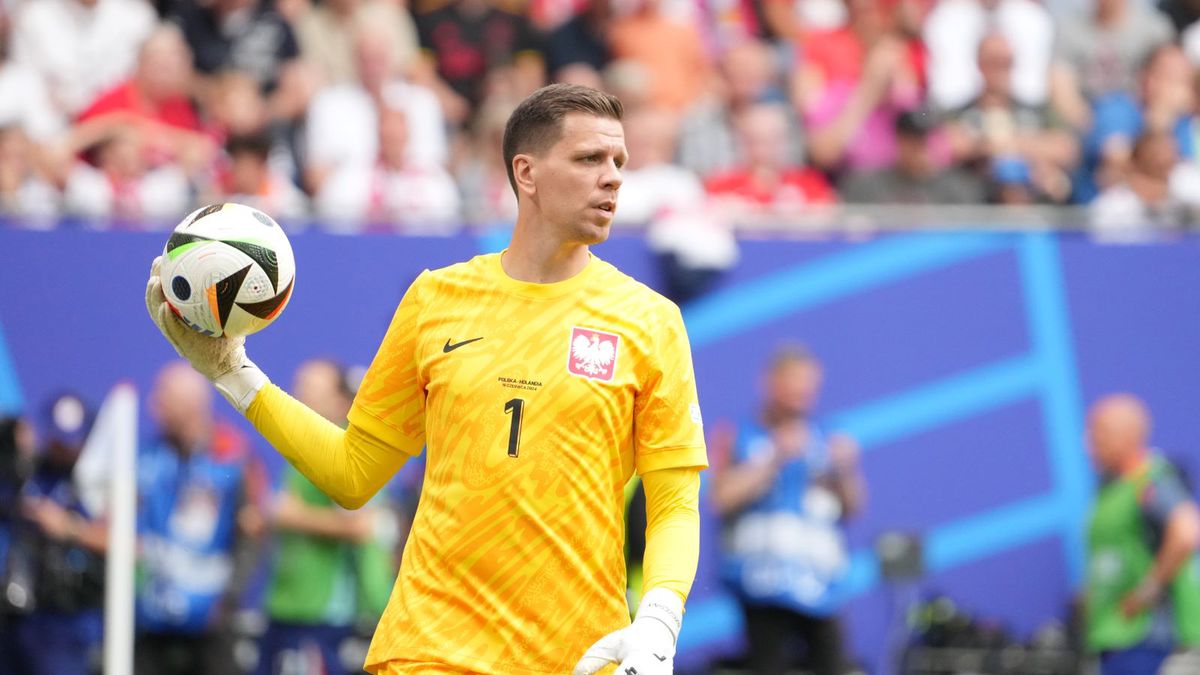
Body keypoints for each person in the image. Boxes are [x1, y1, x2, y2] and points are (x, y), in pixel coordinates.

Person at [146, 83, 707, 674]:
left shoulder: (650, 321)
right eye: (590, 158)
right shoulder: (436, 299)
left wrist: (659, 620)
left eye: (619, 161)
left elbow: (674, 502)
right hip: (429, 648)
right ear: (527, 173)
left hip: (580, 656)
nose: (614, 177)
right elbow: (353, 473)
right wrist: (231, 372)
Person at [711, 346, 866, 675]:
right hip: (761, 586)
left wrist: (846, 471)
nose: (802, 394)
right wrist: (774, 458)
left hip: (820, 586)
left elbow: (854, 507)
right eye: (794, 384)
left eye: (809, 386)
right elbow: (720, 498)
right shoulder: (737, 433)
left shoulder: (828, 436)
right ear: (771, 383)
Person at [258, 359, 395, 675]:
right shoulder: (299, 447)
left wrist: (292, 516)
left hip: (325, 613)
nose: (298, 397)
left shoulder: (349, 452)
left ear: (339, 400)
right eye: (299, 387)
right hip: (285, 604)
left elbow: (361, 526)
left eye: (311, 390)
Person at [134, 362, 264, 675]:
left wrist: (228, 600)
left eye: (163, 398)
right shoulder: (148, 457)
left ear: (191, 405)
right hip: (151, 617)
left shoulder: (232, 456)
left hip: (210, 618)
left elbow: (252, 534)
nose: (154, 405)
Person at [1084, 394, 1200, 675]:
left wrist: (1147, 591)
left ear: (1129, 435)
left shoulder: (1152, 480)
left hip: (1145, 637)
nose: (1088, 444)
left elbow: (1186, 531)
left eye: (1099, 432)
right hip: (1113, 634)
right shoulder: (1110, 489)